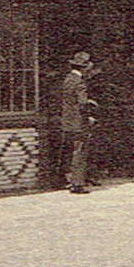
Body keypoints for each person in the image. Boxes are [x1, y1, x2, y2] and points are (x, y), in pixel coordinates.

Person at [60, 51, 97, 194]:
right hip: (78, 122)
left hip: (67, 121)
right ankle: (77, 183)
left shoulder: (68, 79)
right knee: (79, 152)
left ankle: (67, 179)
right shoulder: (80, 83)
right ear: (85, 68)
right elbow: (81, 104)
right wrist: (88, 117)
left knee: (69, 151)